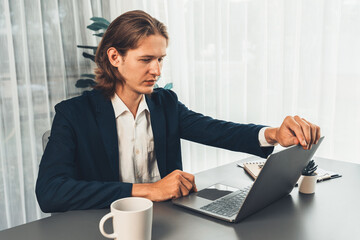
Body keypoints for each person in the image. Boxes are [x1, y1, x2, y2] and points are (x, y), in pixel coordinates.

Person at [35, 10, 320, 213]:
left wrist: (272, 134)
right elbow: (50, 192)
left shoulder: (165, 104)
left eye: (160, 59)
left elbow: (217, 130)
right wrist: (149, 189)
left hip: (168, 222)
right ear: (114, 57)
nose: (157, 71)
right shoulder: (74, 114)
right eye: (146, 59)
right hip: (109, 226)